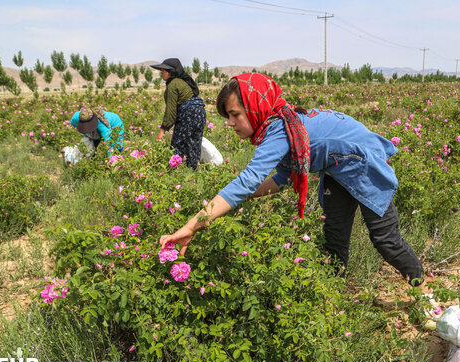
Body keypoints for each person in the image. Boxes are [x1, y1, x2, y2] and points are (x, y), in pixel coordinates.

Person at [159, 72, 425, 287]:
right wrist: (238, 198)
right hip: (338, 168)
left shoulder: (277, 130)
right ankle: (334, 299)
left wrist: (193, 225)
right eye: (227, 116)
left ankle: (424, 291)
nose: (230, 123)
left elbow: (250, 179)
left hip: (365, 164)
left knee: (385, 240)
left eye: (235, 114)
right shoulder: (279, 124)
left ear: (255, 108)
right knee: (334, 240)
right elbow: (284, 176)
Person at [151, 58, 206, 170]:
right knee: (193, 146)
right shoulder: (183, 82)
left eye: (164, 70)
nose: (162, 72)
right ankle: (193, 174)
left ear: (171, 72)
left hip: (189, 116)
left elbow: (171, 112)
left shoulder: (173, 85)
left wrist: (161, 131)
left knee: (178, 146)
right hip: (200, 114)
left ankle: (178, 174)